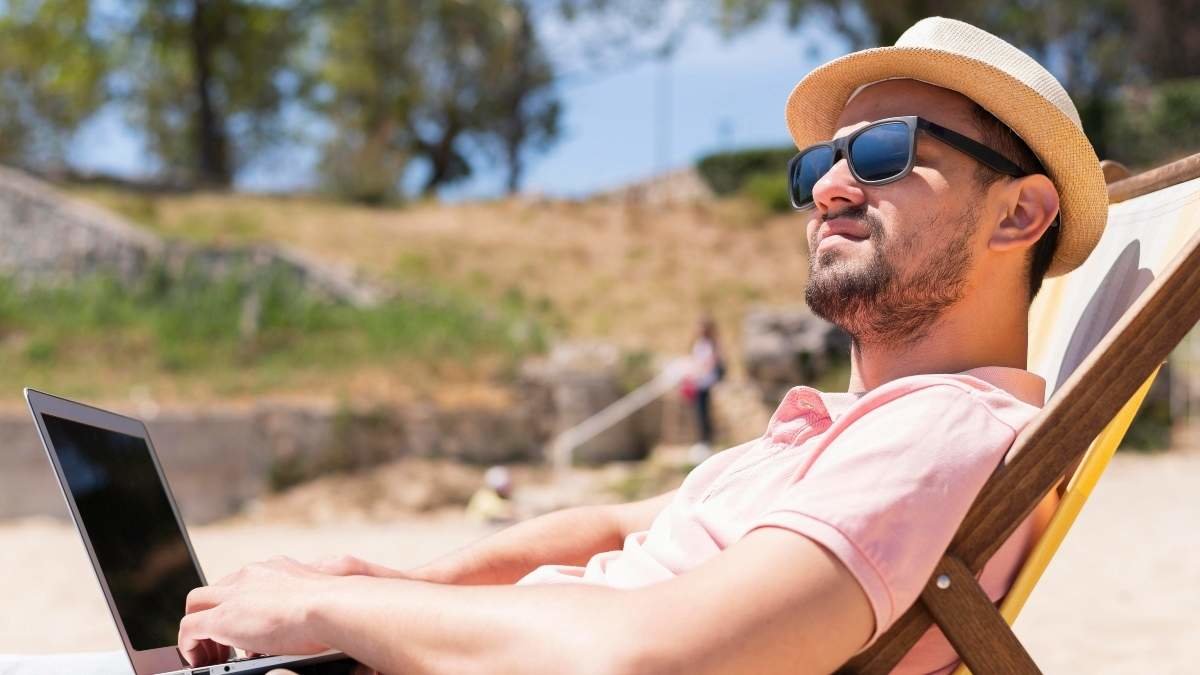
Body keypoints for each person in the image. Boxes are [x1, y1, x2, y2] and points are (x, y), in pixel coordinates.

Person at [11, 16, 1103, 675]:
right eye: (815, 161)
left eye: (879, 150)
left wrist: (325, 611)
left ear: (1020, 215)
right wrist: (397, 576)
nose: (825, 182)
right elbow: (631, 519)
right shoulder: (837, 436)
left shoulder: (937, 431)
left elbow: (647, 659)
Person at [685, 316, 724, 462]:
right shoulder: (698, 343)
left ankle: (707, 441)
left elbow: (711, 363)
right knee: (699, 413)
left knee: (704, 413)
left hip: (706, 382)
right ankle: (702, 440)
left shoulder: (712, 345)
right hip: (698, 381)